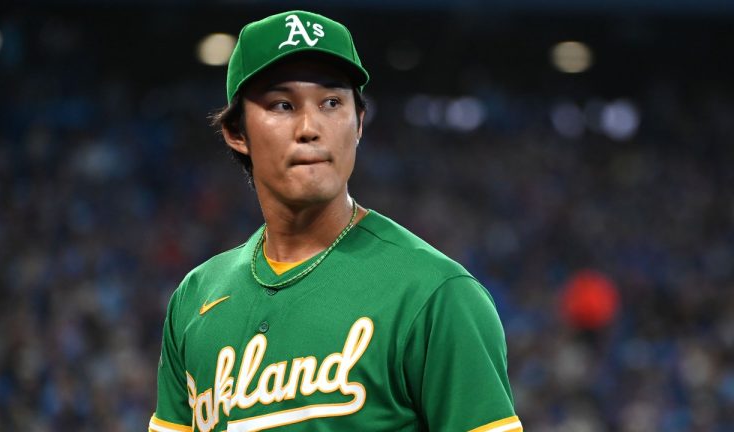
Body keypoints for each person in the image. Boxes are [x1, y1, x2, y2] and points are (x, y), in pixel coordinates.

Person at [149, 10, 522, 432]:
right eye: (282, 105)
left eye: (331, 103)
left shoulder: (437, 295)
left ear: (358, 123)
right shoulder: (195, 296)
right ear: (237, 132)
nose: (310, 127)